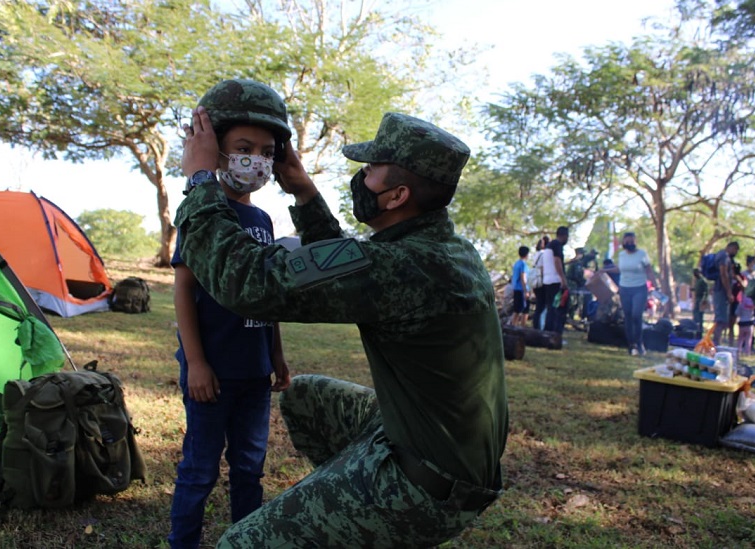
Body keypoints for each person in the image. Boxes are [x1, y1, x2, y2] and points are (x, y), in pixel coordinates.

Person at [176, 106, 508, 547]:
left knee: (239, 544)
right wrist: (304, 193)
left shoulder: (404, 266)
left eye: (370, 170)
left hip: (427, 487)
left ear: (396, 196)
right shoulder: (440, 248)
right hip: (433, 448)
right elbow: (337, 264)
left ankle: (374, 509)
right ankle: (351, 507)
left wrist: (200, 182)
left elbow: (250, 284)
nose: (360, 177)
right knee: (306, 397)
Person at [168, 79, 292, 549]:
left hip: (255, 372)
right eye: (243, 147)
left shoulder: (262, 221)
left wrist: (276, 355)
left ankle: (247, 539)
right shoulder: (201, 211)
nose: (255, 159)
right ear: (215, 151)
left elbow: (268, 294)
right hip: (212, 373)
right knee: (199, 469)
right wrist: (196, 362)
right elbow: (183, 289)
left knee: (249, 467)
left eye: (265, 151)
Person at [598, 232, 658, 356]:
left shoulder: (642, 254)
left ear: (635, 242)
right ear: (623, 243)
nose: (630, 244)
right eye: (627, 242)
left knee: (637, 315)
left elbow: (649, 270)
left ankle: (639, 342)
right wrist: (605, 270)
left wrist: (655, 285)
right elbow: (620, 269)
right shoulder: (621, 255)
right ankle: (632, 345)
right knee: (628, 317)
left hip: (639, 289)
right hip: (625, 288)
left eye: (632, 242)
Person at [709, 241, 740, 347]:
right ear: (731, 247)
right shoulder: (723, 256)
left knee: (723, 320)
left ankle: (717, 343)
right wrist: (729, 292)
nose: (735, 252)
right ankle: (715, 343)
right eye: (735, 250)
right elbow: (723, 274)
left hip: (721, 291)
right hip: (721, 292)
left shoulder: (724, 256)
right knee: (721, 320)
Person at [543, 226, 570, 336]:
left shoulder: (549, 245)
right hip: (555, 280)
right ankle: (555, 333)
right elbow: (557, 261)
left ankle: (547, 332)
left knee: (551, 308)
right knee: (559, 309)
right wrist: (563, 279)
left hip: (547, 280)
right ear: (564, 236)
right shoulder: (557, 245)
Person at [530, 235, 551, 330]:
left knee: (539, 305)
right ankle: (538, 326)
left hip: (535, 282)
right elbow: (543, 268)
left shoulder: (536, 254)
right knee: (541, 305)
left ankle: (536, 324)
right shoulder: (544, 254)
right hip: (541, 282)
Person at [510, 245, 531, 326]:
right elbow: (523, 277)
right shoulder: (523, 264)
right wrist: (526, 290)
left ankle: (513, 326)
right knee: (525, 311)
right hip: (522, 289)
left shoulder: (516, 264)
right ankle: (522, 328)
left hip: (516, 289)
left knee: (517, 310)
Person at [735, 275, 755, 356]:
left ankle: (739, 350)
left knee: (740, 338)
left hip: (742, 322)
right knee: (748, 338)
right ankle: (747, 352)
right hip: (750, 322)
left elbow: (737, 313)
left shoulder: (741, 304)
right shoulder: (752, 303)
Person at [692, 268, 709, 338]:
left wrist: (704, 300)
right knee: (695, 314)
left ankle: (700, 332)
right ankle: (695, 329)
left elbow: (706, 291)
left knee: (700, 316)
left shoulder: (703, 281)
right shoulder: (697, 281)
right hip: (697, 299)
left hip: (701, 299)